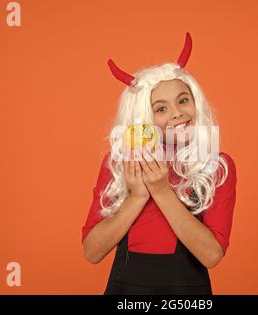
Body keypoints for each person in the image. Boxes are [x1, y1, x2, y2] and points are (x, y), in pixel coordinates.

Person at [81, 32, 237, 295]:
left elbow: (211, 255)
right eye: (160, 108)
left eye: (183, 100)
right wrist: (137, 196)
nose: (177, 113)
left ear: (195, 103)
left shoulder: (217, 166)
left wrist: (162, 190)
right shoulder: (119, 164)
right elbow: (92, 251)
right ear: (143, 118)